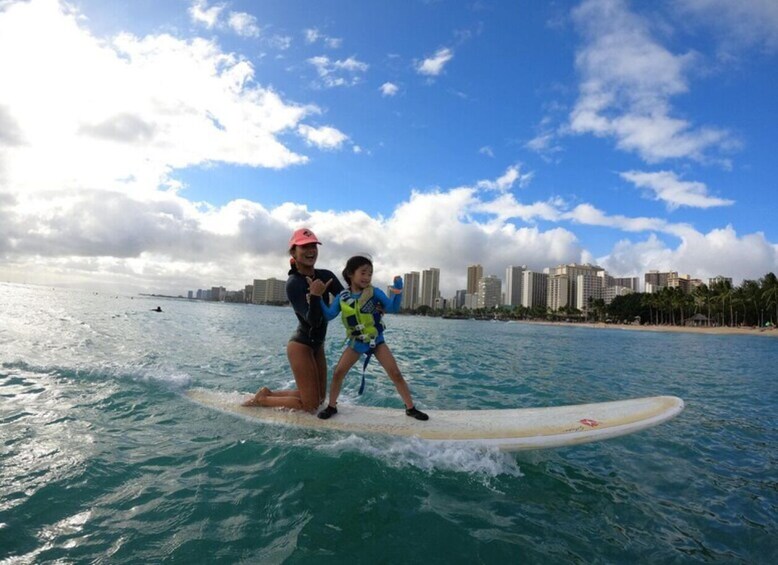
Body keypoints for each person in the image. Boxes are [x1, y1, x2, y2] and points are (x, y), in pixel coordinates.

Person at [243, 228, 344, 412]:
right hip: (301, 346)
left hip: (317, 345)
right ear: (293, 252)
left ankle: (267, 394)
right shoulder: (294, 283)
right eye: (304, 246)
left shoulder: (326, 275)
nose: (311, 250)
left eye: (313, 245)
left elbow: (347, 299)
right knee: (310, 406)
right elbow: (312, 321)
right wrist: (314, 296)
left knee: (320, 399)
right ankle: (262, 401)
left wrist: (374, 304)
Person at [317, 255, 428, 421]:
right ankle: (332, 406)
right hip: (357, 343)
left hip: (376, 341)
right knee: (338, 373)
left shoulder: (374, 292)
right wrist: (317, 297)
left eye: (370, 274)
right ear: (350, 274)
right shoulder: (342, 297)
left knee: (395, 373)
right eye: (363, 273)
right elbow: (328, 315)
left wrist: (397, 291)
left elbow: (392, 308)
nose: (367, 277)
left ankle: (410, 408)